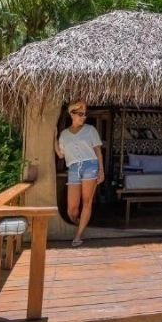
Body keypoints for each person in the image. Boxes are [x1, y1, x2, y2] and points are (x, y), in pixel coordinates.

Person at [54, 100, 104, 247]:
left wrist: (101, 170)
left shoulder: (90, 130)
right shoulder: (64, 134)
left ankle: (78, 235)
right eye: (80, 114)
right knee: (72, 210)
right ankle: (80, 222)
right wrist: (54, 138)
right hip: (74, 168)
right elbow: (60, 154)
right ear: (72, 114)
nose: (84, 117)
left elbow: (98, 151)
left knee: (86, 202)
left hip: (90, 165)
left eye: (85, 114)